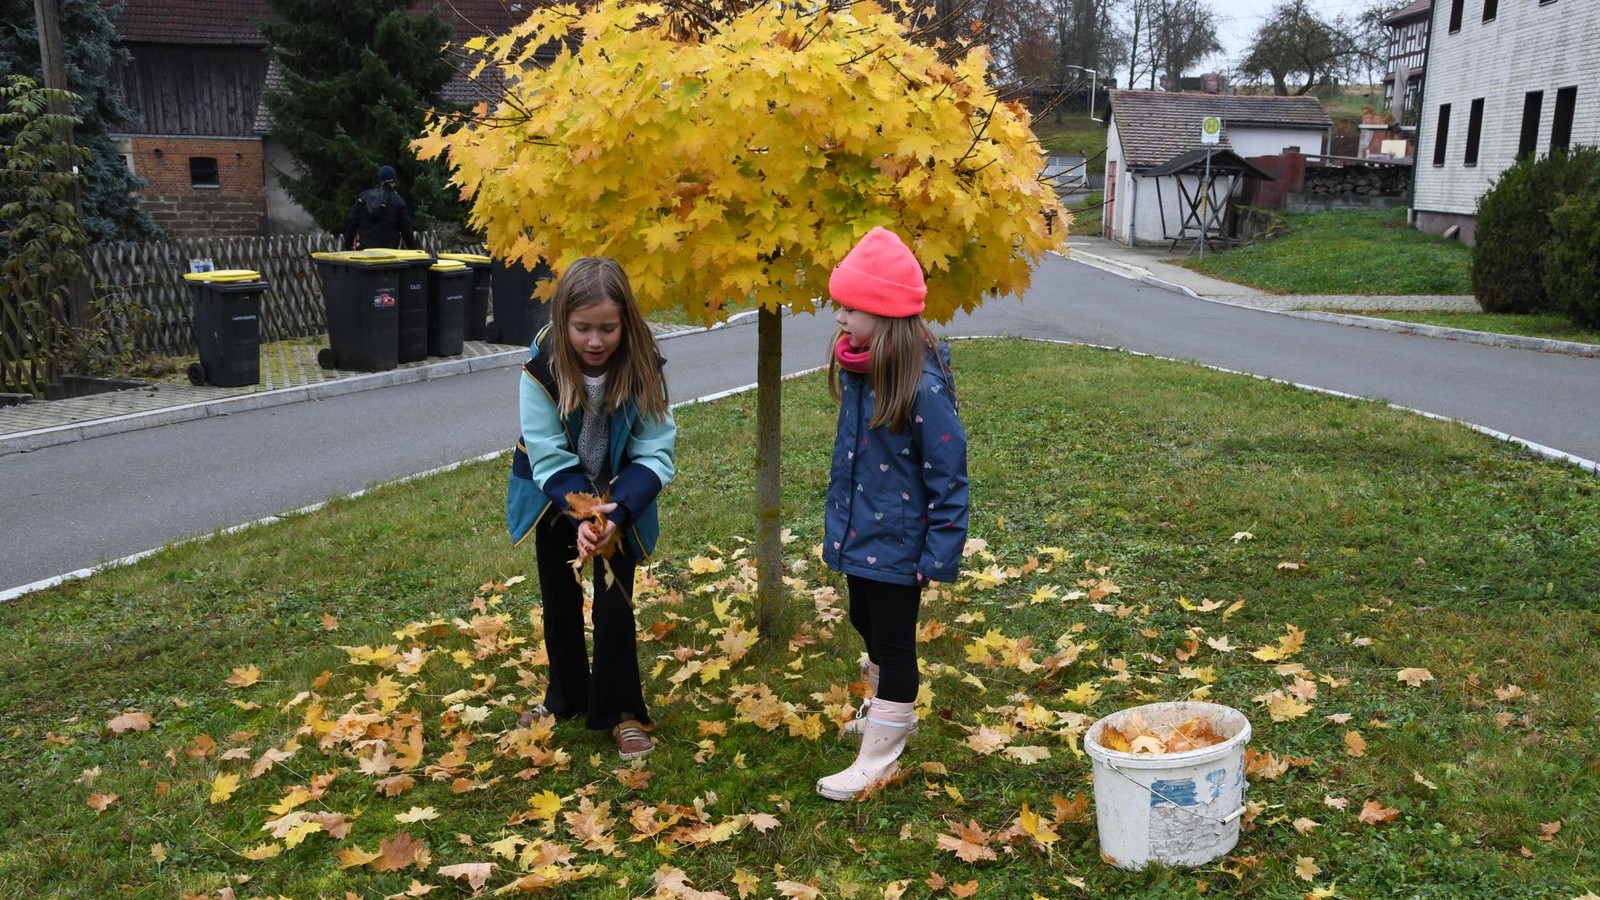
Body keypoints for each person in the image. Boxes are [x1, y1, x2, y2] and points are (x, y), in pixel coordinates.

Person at [816, 226, 969, 801]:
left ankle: (880, 751)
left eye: (850, 307)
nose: (839, 317)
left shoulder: (920, 385)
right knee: (864, 618)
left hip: (902, 543)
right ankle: (884, 707)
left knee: (895, 641)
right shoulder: (863, 366)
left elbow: (949, 473)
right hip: (863, 530)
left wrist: (939, 552)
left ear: (882, 314)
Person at [504, 257, 676, 761]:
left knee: (614, 604)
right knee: (559, 600)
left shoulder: (644, 366)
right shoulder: (541, 368)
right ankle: (565, 698)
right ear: (563, 323)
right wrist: (582, 515)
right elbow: (547, 451)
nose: (595, 341)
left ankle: (622, 712)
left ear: (627, 322)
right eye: (582, 328)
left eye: (607, 328)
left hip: (623, 496)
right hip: (555, 495)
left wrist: (613, 517)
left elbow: (655, 452)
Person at [342, 164, 416, 250]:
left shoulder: (363, 198)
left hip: (364, 252)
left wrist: (348, 246)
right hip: (389, 254)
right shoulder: (398, 201)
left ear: (379, 180)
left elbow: (352, 223)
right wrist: (413, 250)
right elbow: (406, 230)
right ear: (394, 182)